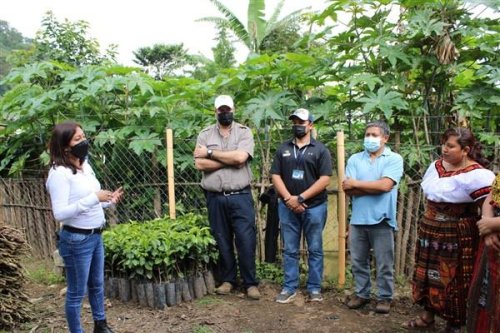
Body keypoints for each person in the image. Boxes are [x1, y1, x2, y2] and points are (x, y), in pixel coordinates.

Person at [403, 127, 495, 333]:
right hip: (429, 231)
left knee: (453, 279)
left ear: (465, 150)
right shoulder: (436, 166)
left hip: (457, 236)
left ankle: (454, 324)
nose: (444, 149)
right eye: (444, 144)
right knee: (427, 274)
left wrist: (488, 228)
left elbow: (489, 204)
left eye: (450, 146)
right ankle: (427, 318)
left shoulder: (479, 176)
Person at [46, 121, 123, 333]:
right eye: (77, 139)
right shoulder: (59, 174)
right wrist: (93, 198)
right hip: (76, 240)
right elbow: (60, 213)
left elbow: (93, 199)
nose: (84, 141)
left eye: (84, 136)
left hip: (95, 235)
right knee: (76, 293)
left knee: (97, 285)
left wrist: (108, 200)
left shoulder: (85, 165)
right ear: (64, 146)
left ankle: (101, 325)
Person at [193, 95, 260, 300]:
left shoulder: (244, 132)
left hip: (240, 196)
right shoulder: (204, 134)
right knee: (221, 239)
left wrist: (210, 154)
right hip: (215, 197)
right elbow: (199, 164)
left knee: (245, 239)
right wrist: (229, 159)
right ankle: (228, 280)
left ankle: (250, 283)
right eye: (221, 110)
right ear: (216, 111)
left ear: (234, 109)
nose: (225, 113)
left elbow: (241, 158)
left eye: (228, 109)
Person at [270, 108, 332, 303]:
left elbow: (324, 180)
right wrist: (289, 199)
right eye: (295, 121)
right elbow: (275, 176)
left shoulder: (320, 150)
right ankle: (289, 287)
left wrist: (301, 198)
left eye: (302, 122)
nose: (298, 125)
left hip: (314, 207)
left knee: (315, 248)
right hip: (287, 207)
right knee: (290, 249)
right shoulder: (283, 149)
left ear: (310, 125)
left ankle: (314, 288)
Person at [342, 120, 403, 314]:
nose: (370, 138)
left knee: (385, 262)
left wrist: (357, 184)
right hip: (358, 219)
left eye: (374, 135)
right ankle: (362, 294)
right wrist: (373, 186)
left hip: (383, 219)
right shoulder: (354, 159)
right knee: (358, 261)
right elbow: (347, 189)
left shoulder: (394, 159)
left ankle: (385, 297)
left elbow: (386, 186)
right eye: (367, 135)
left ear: (385, 138)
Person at [467, 173, 500, 333]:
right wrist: (488, 227)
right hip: (494, 242)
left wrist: (492, 223)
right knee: (489, 295)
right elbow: (491, 196)